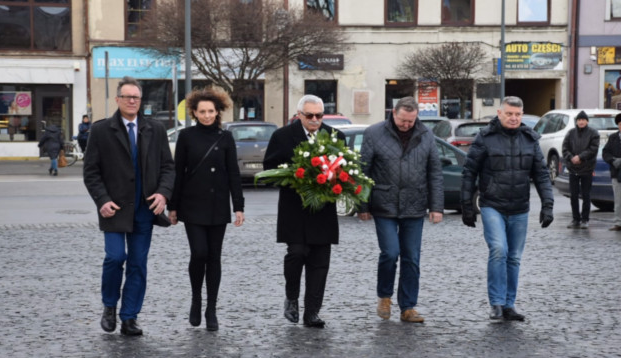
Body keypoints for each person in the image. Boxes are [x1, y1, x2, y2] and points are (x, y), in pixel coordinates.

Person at [83, 76, 175, 336]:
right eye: (127, 96)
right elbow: (91, 172)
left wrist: (163, 194)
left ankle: (129, 317)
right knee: (115, 257)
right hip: (114, 208)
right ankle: (110, 305)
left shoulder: (155, 128)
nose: (132, 100)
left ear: (140, 100)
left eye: (136, 97)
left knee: (137, 263)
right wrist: (102, 200)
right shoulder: (101, 130)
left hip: (145, 209)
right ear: (118, 100)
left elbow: (168, 167)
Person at [461, 96, 554, 322]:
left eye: (518, 114)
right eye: (509, 114)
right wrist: (466, 206)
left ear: (522, 115)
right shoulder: (485, 138)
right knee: (498, 250)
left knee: (514, 257)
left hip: (520, 207)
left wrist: (548, 204)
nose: (514, 118)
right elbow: (469, 172)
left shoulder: (530, 139)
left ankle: (509, 305)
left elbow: (541, 174)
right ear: (500, 113)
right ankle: (496, 303)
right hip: (492, 204)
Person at [357, 96, 444, 323]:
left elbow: (434, 172)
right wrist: (362, 205)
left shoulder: (426, 135)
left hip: (415, 204)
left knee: (411, 258)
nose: (407, 125)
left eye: (411, 121)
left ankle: (408, 307)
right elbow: (363, 170)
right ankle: (384, 296)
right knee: (390, 253)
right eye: (403, 120)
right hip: (383, 202)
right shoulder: (374, 133)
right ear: (393, 114)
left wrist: (436, 207)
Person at [263, 95, 346, 328]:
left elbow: (345, 168)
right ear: (299, 115)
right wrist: (292, 178)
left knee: (320, 261)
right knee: (296, 253)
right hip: (294, 207)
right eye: (309, 115)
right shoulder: (282, 136)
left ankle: (312, 312)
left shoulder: (335, 136)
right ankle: (291, 297)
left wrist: (336, 183)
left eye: (319, 115)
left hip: (323, 209)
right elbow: (269, 168)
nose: (314, 120)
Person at [168, 88, 245, 331]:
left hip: (218, 206)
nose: (207, 115)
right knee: (199, 253)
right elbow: (178, 172)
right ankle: (195, 299)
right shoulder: (186, 137)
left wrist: (239, 207)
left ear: (218, 112)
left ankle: (211, 308)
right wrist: (173, 206)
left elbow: (234, 173)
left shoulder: (226, 138)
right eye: (202, 111)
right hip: (192, 206)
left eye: (211, 111)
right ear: (194, 112)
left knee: (214, 257)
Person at [561, 111, 600, 229]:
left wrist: (580, 157)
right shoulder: (571, 133)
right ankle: (575, 219)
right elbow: (565, 148)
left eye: (583, 120)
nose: (581, 122)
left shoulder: (593, 133)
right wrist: (571, 158)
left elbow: (593, 149)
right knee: (573, 195)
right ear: (576, 121)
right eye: (579, 120)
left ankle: (585, 219)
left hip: (587, 168)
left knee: (586, 195)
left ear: (587, 121)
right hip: (573, 168)